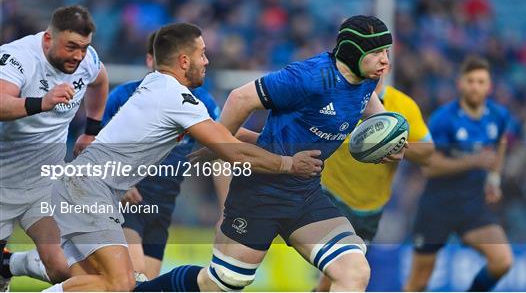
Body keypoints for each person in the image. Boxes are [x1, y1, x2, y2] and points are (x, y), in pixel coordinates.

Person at [43, 22, 321, 292]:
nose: (207, 61)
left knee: (97, 283)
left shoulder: (156, 84)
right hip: (90, 191)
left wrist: (275, 143)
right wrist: (288, 164)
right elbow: (232, 151)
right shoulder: (176, 98)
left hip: (78, 187)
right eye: (202, 53)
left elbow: (229, 135)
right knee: (122, 283)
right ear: (185, 61)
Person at [137, 15, 403, 292]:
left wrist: (388, 140)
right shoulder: (308, 77)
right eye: (376, 53)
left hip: (305, 193)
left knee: (354, 271)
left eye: (386, 52)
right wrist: (218, 145)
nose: (385, 60)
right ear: (353, 51)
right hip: (260, 192)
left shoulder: (366, 80)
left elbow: (369, 110)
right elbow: (240, 98)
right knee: (224, 281)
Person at [103, 31, 227, 280]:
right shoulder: (125, 97)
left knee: (143, 283)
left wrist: (226, 212)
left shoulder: (200, 101)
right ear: (151, 60)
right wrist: (117, 180)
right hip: (129, 203)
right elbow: (100, 146)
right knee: (132, 278)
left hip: (162, 208)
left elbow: (223, 150)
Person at [0, 5, 108, 290]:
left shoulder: (88, 60)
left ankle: (8, 264)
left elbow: (99, 81)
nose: (78, 56)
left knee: (64, 269)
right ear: (48, 38)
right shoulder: (17, 58)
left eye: (84, 47)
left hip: (43, 184)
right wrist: (42, 102)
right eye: (71, 46)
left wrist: (91, 131)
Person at [315, 67, 435, 291]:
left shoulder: (403, 106)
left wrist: (401, 148)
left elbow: (428, 152)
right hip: (329, 197)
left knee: (332, 279)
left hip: (369, 210)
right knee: (344, 269)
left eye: (382, 56)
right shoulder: (334, 97)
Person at [404, 56, 513, 291]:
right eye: (470, 81)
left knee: (502, 261)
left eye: (481, 81)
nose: (476, 86)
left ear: (489, 86)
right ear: (460, 84)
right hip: (437, 205)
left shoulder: (498, 116)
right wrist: (472, 161)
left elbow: (501, 143)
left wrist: (494, 180)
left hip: (473, 205)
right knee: (418, 282)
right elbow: (429, 167)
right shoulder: (444, 119)